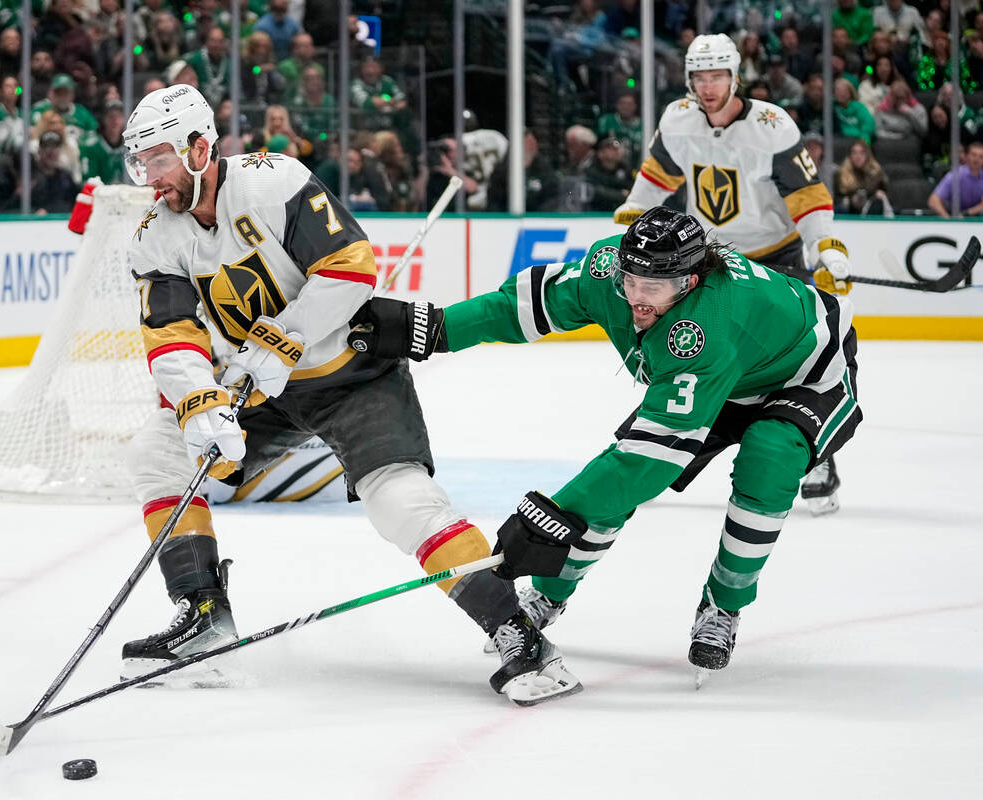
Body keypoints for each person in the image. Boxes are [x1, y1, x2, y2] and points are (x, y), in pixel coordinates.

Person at [116, 85, 580, 704]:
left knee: (403, 504)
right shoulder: (155, 235)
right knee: (157, 453)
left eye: (160, 160)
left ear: (201, 147)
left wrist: (284, 339)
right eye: (141, 162)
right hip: (261, 388)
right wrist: (199, 401)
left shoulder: (273, 182)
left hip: (350, 373)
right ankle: (202, 617)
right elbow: (169, 333)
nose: (150, 178)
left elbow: (351, 266)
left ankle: (519, 636)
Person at [350, 206, 863, 678]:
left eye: (653, 288)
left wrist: (552, 511)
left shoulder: (707, 324)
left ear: (690, 281)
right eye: (631, 280)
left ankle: (723, 604)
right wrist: (437, 329)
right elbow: (522, 307)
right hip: (723, 366)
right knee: (605, 491)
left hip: (801, 375)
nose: (637, 296)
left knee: (767, 463)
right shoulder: (607, 272)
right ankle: (550, 594)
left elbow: (649, 461)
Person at [613, 34, 852, 514]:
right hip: (712, 258)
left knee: (795, 361)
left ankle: (812, 449)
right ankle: (663, 440)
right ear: (689, 79)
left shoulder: (771, 124)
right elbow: (659, 172)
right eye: (699, 76)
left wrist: (823, 246)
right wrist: (638, 207)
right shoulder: (678, 119)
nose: (708, 85)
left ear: (735, 75)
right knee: (696, 347)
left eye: (717, 75)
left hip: (774, 256)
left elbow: (805, 194)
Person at [927, 140, 983, 217]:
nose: (976, 159)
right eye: (973, 155)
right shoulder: (955, 175)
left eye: (981, 156)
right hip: (952, 216)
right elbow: (933, 201)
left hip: (976, 220)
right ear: (967, 156)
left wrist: (967, 213)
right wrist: (949, 220)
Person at [835, 139, 891, 215]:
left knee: (879, 200)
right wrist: (852, 199)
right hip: (848, 213)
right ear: (849, 156)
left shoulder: (877, 173)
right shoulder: (840, 175)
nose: (858, 156)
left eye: (862, 153)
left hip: (872, 211)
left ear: (867, 155)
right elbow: (837, 198)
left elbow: (885, 194)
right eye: (854, 153)